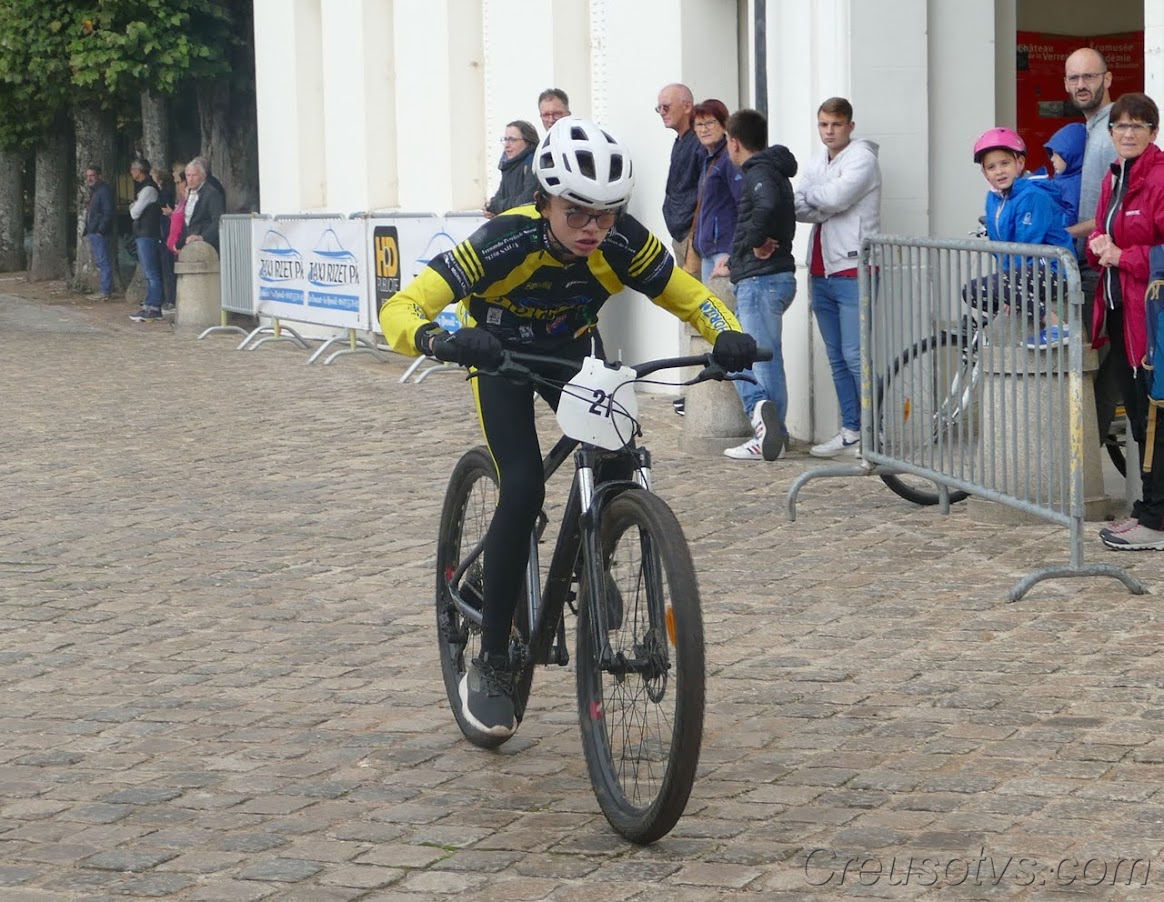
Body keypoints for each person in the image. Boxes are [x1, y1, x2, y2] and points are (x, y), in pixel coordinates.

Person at [379, 117, 759, 738]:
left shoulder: (623, 243)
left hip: (572, 354)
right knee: (524, 486)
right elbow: (401, 306)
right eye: (576, 212)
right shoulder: (503, 241)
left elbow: (691, 297)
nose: (591, 229)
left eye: (605, 215)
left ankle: (594, 547)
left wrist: (728, 333)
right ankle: (493, 660)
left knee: (619, 456)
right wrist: (437, 338)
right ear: (543, 202)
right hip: (497, 355)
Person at [1087, 94, 1164, 551]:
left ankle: (1155, 521)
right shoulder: (1114, 176)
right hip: (1120, 315)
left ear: (1153, 132)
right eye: (1120, 125)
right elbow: (1103, 230)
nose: (1128, 132)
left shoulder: (1159, 178)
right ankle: (1148, 509)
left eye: (1138, 125)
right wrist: (1098, 243)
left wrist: (1123, 256)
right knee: (1138, 418)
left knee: (1155, 418)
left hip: (1152, 318)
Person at [794, 97, 882, 458]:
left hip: (854, 269)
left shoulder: (863, 158)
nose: (829, 131)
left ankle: (874, 433)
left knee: (855, 355)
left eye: (836, 124)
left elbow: (836, 198)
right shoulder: (819, 161)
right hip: (820, 270)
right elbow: (797, 204)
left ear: (850, 126)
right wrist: (824, 201)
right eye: (823, 125)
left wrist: (819, 199)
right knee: (836, 356)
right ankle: (851, 430)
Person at [716, 108, 796, 462]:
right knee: (760, 357)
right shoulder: (770, 169)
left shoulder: (759, 172)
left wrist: (753, 242)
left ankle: (767, 433)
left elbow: (766, 205)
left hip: (761, 281)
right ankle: (774, 434)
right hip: (767, 277)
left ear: (734, 143)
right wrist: (738, 258)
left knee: (753, 358)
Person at [963, 127, 1074, 349]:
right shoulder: (994, 199)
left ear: (1020, 163)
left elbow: (1027, 246)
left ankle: (1056, 326)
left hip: (1053, 271)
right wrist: (1008, 288)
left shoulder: (1033, 195)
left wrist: (1009, 286)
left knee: (991, 287)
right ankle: (1020, 305)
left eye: (1005, 163)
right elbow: (1000, 247)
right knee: (972, 291)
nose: (999, 171)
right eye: (991, 167)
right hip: (1022, 274)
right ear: (984, 173)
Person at [1064, 47, 1121, 457]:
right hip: (1090, 266)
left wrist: (1066, 233)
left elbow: (1114, 208)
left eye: (1089, 76)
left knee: (1095, 372)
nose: (1081, 85)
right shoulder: (1091, 129)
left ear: (1108, 78)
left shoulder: (1113, 131)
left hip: (1105, 270)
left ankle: (1083, 468)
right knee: (1096, 370)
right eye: (1074, 78)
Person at [691, 99, 741, 286]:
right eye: (699, 124)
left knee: (724, 303)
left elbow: (743, 203)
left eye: (710, 123)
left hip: (725, 251)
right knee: (712, 304)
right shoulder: (707, 158)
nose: (704, 129)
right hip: (708, 251)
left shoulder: (729, 158)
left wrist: (734, 252)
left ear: (724, 124)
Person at [657, 83, 702, 274]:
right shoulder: (681, 140)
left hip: (693, 237)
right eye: (659, 108)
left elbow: (704, 192)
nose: (661, 112)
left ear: (687, 106)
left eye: (666, 107)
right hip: (680, 235)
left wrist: (693, 236)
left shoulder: (699, 142)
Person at [127, 159, 165, 323]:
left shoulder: (148, 189)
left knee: (151, 272)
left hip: (148, 233)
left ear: (139, 170)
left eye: (133, 169)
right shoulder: (144, 188)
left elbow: (134, 212)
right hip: (144, 233)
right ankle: (149, 304)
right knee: (148, 272)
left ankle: (154, 306)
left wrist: (133, 206)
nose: (131, 172)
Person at [484, 120, 539, 217]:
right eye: (505, 139)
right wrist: (491, 207)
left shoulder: (533, 164)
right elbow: (499, 197)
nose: (507, 145)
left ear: (528, 142)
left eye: (512, 140)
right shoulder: (507, 166)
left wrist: (495, 207)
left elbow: (527, 201)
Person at [1041, 121, 1086, 228]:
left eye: (1057, 154)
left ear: (1071, 155)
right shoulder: (1064, 176)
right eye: (1052, 154)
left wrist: (1051, 224)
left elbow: (1071, 215)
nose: (1052, 159)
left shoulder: (1073, 184)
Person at [82, 165, 115, 302]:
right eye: (88, 176)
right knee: (101, 261)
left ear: (99, 176)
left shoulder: (103, 191)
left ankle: (105, 291)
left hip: (99, 232)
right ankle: (104, 290)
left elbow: (108, 212)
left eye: (92, 175)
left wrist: (100, 229)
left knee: (103, 261)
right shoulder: (96, 191)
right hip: (94, 230)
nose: (89, 178)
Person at [182, 158, 225, 253]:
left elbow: (218, 220)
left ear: (203, 176)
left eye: (194, 175)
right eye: (188, 175)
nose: (191, 179)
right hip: (189, 243)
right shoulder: (188, 192)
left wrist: (202, 237)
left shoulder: (211, 193)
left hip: (206, 245)